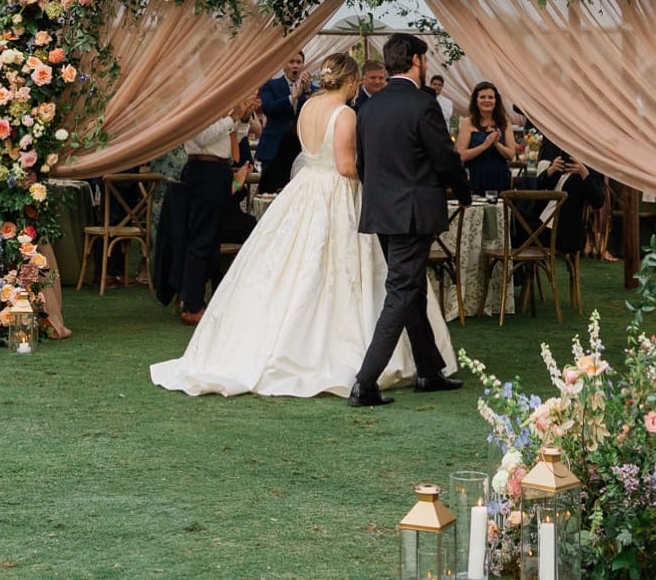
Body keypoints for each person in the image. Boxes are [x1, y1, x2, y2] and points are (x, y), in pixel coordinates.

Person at [151, 51, 458, 399]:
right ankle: (354, 359)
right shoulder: (344, 114)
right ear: (353, 81)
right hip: (336, 194)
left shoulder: (308, 107)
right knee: (341, 272)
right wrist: (379, 175)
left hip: (304, 191)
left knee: (292, 269)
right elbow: (345, 167)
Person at [349, 32, 472, 409]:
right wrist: (463, 191)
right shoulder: (424, 105)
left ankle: (428, 370)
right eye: (426, 58)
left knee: (412, 289)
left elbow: (363, 166)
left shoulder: (369, 106)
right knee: (403, 292)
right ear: (416, 61)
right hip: (413, 212)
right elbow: (443, 157)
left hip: (383, 212)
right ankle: (364, 383)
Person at [175, 115, 240, 324]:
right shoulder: (201, 99)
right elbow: (203, 137)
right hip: (204, 170)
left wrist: (243, 118)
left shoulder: (223, 99)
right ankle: (191, 305)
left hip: (219, 169)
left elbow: (232, 137)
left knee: (212, 241)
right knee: (202, 239)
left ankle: (200, 301)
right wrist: (234, 116)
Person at [520, 136, 606, 256]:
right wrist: (551, 170)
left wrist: (584, 174)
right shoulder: (562, 167)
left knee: (517, 231)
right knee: (513, 218)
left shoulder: (589, 171)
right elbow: (539, 186)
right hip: (542, 222)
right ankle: (517, 273)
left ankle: (518, 272)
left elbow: (598, 201)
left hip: (562, 231)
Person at [255, 51, 311, 194]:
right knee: (269, 191)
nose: (295, 66)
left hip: (298, 148)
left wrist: (307, 91)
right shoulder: (270, 86)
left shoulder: (308, 89)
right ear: (283, 65)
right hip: (275, 148)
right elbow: (267, 108)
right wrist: (291, 98)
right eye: (291, 62)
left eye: (299, 62)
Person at [456, 81, 516, 196]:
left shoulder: (505, 123)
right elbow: (461, 156)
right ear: (476, 101)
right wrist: (484, 145)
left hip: (499, 176)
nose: (487, 100)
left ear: (496, 100)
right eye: (482, 97)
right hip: (474, 176)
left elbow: (511, 155)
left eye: (490, 97)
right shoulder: (467, 122)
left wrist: (497, 144)